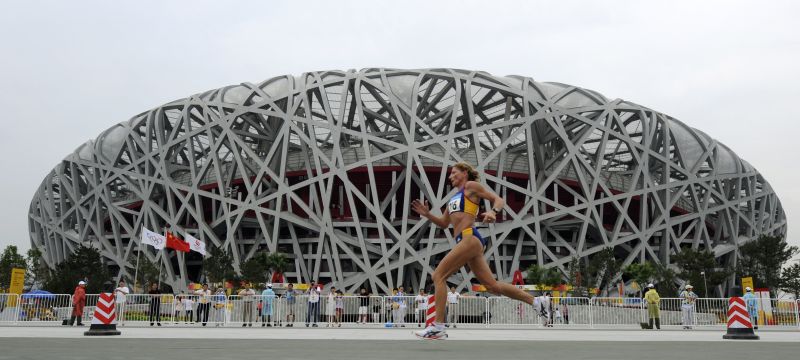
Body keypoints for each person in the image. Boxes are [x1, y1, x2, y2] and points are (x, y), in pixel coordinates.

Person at [412, 162, 536, 339]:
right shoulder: (453, 199)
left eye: (454, 173)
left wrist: (493, 212)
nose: (450, 176)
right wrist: (427, 214)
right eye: (450, 174)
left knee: (438, 276)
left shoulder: (471, 186)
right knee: (492, 286)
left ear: (464, 173)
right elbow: (444, 223)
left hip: (470, 237)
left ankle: (438, 326)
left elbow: (499, 200)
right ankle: (536, 301)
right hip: (467, 241)